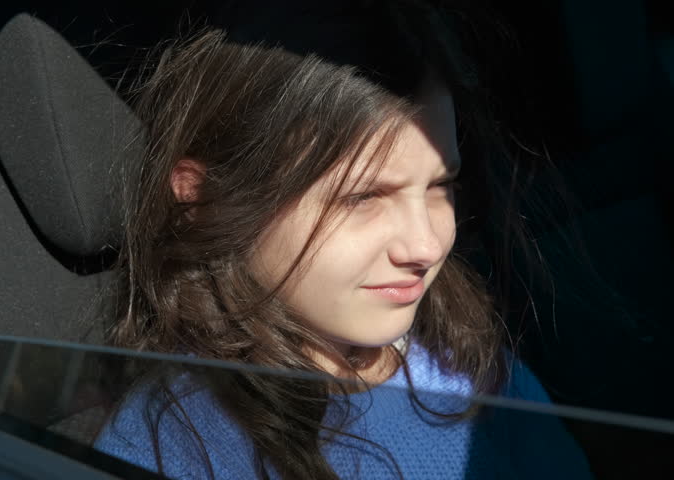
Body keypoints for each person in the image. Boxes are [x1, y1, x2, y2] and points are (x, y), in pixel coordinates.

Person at [94, 2, 592, 478]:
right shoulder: (172, 445)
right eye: (362, 197)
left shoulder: (469, 363)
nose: (426, 246)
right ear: (204, 200)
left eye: (442, 186)